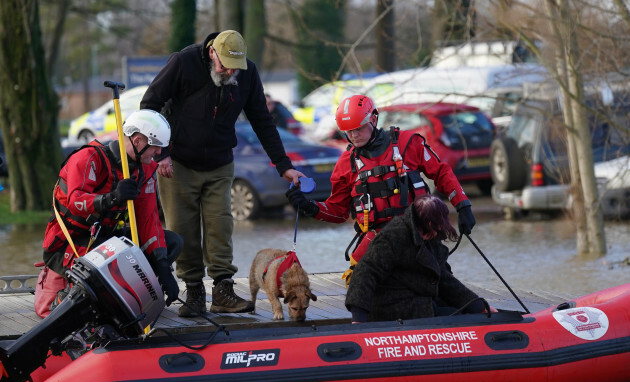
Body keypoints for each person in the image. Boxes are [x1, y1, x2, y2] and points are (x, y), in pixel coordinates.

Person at [140, 30, 304, 317]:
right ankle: (193, 291)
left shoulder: (248, 72)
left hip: (219, 162)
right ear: (212, 53)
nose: (229, 71)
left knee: (221, 226)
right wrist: (161, 153)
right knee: (183, 228)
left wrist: (283, 165)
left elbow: (262, 121)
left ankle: (222, 291)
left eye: (234, 66)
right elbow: (149, 105)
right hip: (177, 161)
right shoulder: (184, 63)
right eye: (224, 64)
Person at [286, 94, 476, 283]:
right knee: (355, 282)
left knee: (439, 280)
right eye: (348, 131)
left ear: (374, 119)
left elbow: (441, 172)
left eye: (358, 128)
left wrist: (463, 206)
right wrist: (310, 207)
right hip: (376, 236)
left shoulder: (408, 143)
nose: (354, 135)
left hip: (418, 231)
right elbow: (338, 212)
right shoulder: (345, 164)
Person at [35, 109, 182, 318]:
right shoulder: (87, 158)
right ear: (138, 140)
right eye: (156, 146)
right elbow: (75, 201)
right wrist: (112, 198)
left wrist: (164, 269)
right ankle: (66, 300)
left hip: (107, 240)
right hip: (69, 243)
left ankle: (135, 300)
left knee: (172, 241)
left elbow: (148, 222)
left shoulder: (145, 170)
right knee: (110, 259)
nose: (159, 153)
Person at [345, 194, 495, 323]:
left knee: (460, 312)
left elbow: (444, 281)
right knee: (455, 318)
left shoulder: (430, 238)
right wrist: (358, 320)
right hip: (391, 306)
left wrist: (480, 307)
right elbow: (364, 273)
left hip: (418, 300)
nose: (437, 234)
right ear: (429, 224)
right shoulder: (392, 237)